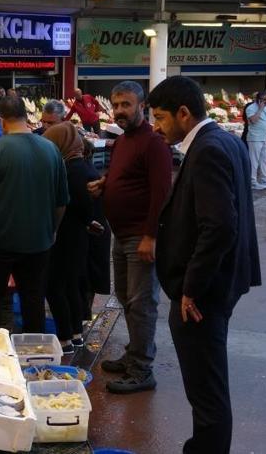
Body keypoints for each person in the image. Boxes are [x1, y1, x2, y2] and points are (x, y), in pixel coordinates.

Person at [148, 75, 261, 454]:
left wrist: (191, 288)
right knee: (207, 384)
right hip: (221, 282)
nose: (157, 127)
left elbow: (220, 226)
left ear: (183, 113)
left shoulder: (208, 149)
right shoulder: (227, 141)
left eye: (160, 118)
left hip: (204, 292)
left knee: (206, 389)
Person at [87, 80, 172, 394]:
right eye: (116, 105)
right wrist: (105, 183)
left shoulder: (154, 143)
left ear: (142, 106)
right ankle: (134, 353)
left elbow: (161, 192)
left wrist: (151, 236)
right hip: (121, 235)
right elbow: (127, 176)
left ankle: (141, 368)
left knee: (142, 302)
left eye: (126, 104)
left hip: (140, 237)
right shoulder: (122, 141)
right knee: (126, 297)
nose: (120, 110)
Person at [0, 96, 69, 333]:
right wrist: (53, 230)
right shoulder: (51, 149)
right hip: (39, 242)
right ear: (26, 117)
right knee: (33, 300)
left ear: (1, 120)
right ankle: (33, 348)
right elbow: (61, 202)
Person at [43, 122, 103, 353]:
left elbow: (68, 203)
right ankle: (76, 335)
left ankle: (65, 338)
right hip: (79, 236)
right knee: (72, 285)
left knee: (55, 286)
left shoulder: (70, 171)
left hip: (65, 235)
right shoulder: (85, 167)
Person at [82, 138, 112, 321]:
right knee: (90, 276)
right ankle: (84, 313)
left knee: (87, 275)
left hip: (92, 230)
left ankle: (84, 314)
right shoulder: (91, 171)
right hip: (97, 229)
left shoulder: (85, 173)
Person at [244, 91, 266, 190]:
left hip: (264, 137)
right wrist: (260, 109)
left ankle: (263, 179)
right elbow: (253, 120)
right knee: (254, 161)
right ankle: (252, 182)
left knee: (264, 160)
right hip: (255, 138)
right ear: (258, 100)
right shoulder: (251, 108)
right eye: (263, 100)